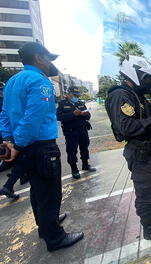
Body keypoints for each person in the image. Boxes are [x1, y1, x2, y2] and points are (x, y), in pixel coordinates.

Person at [0, 42, 83, 251]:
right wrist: (17, 142)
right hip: (40, 147)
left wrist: (9, 140)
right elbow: (33, 117)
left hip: (24, 146)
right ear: (38, 58)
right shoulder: (40, 82)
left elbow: (4, 114)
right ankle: (55, 238)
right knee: (50, 194)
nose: (49, 63)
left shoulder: (12, 82)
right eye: (48, 58)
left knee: (37, 192)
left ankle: (44, 226)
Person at [106, 55, 151, 244]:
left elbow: (143, 120)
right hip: (139, 152)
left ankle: (150, 211)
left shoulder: (136, 95)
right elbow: (127, 127)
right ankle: (148, 228)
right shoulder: (121, 95)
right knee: (144, 191)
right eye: (147, 79)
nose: (149, 84)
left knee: (150, 185)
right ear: (133, 75)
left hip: (149, 150)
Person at [56, 86, 96, 179]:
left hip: (83, 130)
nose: (76, 97)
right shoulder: (62, 104)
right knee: (72, 151)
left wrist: (86, 114)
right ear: (68, 94)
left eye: (77, 95)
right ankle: (74, 170)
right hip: (71, 132)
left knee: (84, 148)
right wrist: (73, 114)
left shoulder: (80, 103)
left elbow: (88, 116)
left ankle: (85, 165)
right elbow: (59, 117)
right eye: (74, 95)